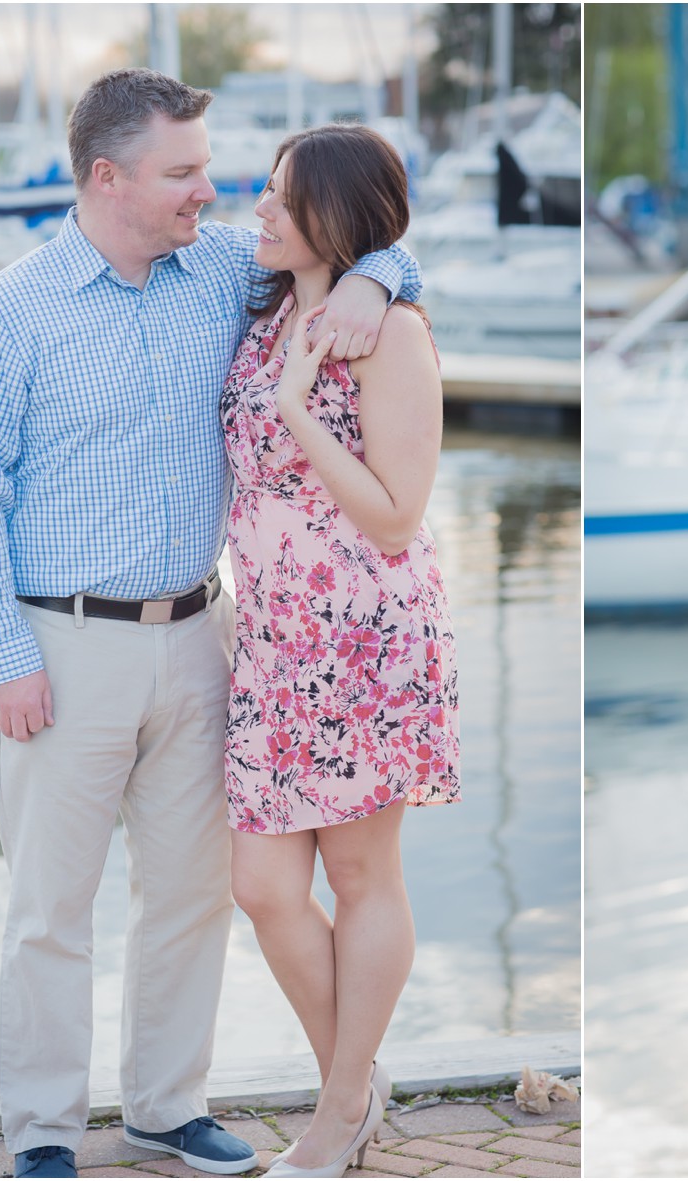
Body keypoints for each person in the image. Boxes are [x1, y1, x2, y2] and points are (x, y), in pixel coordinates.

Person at [0, 69, 422, 1180]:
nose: (214, 190)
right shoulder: (10, 312)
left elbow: (353, 244)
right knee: (51, 907)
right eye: (185, 171)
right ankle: (45, 1130)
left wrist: (385, 277)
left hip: (207, 635)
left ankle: (163, 1105)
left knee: (193, 893)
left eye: (210, 167)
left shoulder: (222, 277)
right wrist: (0, 653)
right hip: (61, 644)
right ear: (109, 177)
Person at [218, 124, 459, 1179]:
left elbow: (399, 517)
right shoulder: (264, 303)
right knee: (264, 884)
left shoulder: (391, 333)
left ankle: (337, 1112)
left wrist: (293, 411)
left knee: (363, 874)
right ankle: (351, 1085)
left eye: (279, 196)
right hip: (273, 640)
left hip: (367, 636)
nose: (259, 210)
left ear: (332, 211)